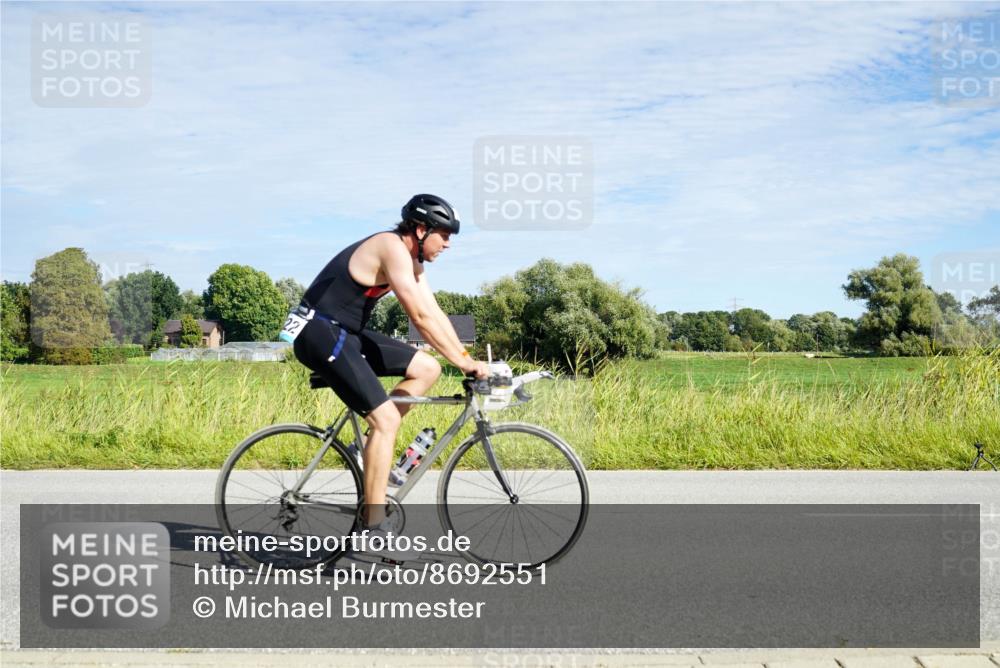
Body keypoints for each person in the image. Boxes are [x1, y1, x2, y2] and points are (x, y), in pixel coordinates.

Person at [291, 194, 489, 560]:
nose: (448, 244)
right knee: (385, 421)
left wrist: (465, 357)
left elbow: (434, 311)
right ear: (421, 229)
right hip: (318, 333)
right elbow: (419, 317)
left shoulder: (413, 262)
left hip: (345, 333)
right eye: (444, 235)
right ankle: (373, 528)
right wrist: (466, 364)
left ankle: (370, 450)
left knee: (427, 368)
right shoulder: (391, 247)